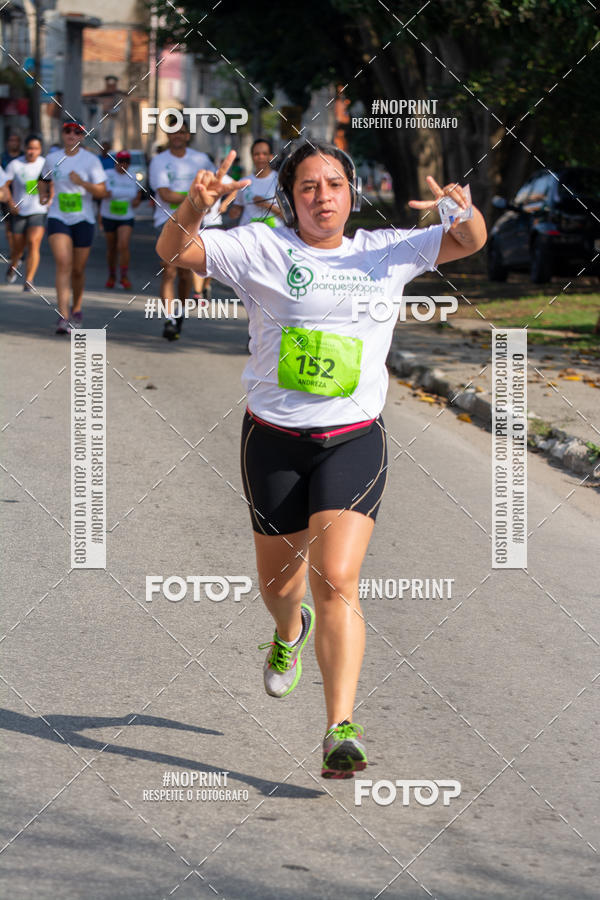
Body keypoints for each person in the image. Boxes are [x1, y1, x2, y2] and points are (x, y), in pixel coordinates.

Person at [156, 142, 487, 778]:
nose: (323, 197)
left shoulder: (385, 250)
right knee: (280, 587)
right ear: (289, 199)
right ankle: (289, 632)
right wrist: (194, 209)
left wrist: (461, 211)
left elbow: (468, 242)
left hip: (353, 438)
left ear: (351, 192)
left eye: (334, 184)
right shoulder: (261, 247)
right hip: (274, 439)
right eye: (308, 187)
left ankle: (340, 727)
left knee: (336, 577)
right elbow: (175, 254)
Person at [148, 117, 216, 341]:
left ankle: (180, 314)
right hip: (167, 220)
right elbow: (165, 194)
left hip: (194, 223)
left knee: (186, 273)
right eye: (173, 132)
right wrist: (194, 198)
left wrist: (199, 199)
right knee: (169, 270)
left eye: (182, 132)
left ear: (188, 135)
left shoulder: (201, 159)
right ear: (168, 135)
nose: (177, 136)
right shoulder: (159, 161)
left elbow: (213, 188)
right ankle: (169, 319)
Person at [38, 122, 108, 334]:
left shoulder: (91, 161)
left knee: (78, 270)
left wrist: (82, 183)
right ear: (62, 134)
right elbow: (42, 179)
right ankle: (63, 316)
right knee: (63, 263)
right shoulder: (52, 158)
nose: (71, 134)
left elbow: (102, 192)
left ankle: (76, 309)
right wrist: (43, 195)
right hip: (58, 216)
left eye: (77, 132)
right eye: (67, 130)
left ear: (82, 136)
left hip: (83, 219)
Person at [4, 134, 48, 290]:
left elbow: (54, 184)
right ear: (24, 148)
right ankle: (14, 263)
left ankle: (29, 280)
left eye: (35, 149)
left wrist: (49, 199)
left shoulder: (45, 164)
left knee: (33, 242)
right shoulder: (15, 164)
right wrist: (11, 203)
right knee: (17, 247)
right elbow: (4, 185)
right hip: (19, 211)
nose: (32, 152)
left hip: (38, 210)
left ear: (40, 150)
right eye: (29, 148)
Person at [100, 150, 142, 289]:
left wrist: (136, 201)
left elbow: (138, 195)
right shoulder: (107, 175)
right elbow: (102, 192)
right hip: (108, 215)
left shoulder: (133, 177)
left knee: (123, 245)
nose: (123, 164)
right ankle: (112, 275)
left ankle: (124, 276)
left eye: (126, 162)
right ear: (116, 162)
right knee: (112, 248)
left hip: (126, 216)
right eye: (120, 161)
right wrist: (106, 193)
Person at [230, 138, 283, 228]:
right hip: (248, 232)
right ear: (252, 156)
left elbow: (289, 215)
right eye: (256, 154)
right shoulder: (244, 182)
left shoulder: (280, 180)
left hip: (274, 233)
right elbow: (237, 207)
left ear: (271, 156)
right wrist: (234, 211)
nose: (260, 157)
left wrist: (265, 204)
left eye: (264, 154)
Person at [1, 132, 23, 279]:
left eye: (16, 140)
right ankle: (14, 251)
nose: (13, 142)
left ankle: (18, 252)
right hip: (6, 197)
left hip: (22, 197)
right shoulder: (3, 157)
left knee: (21, 230)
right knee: (9, 229)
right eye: (11, 140)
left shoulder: (24, 157)